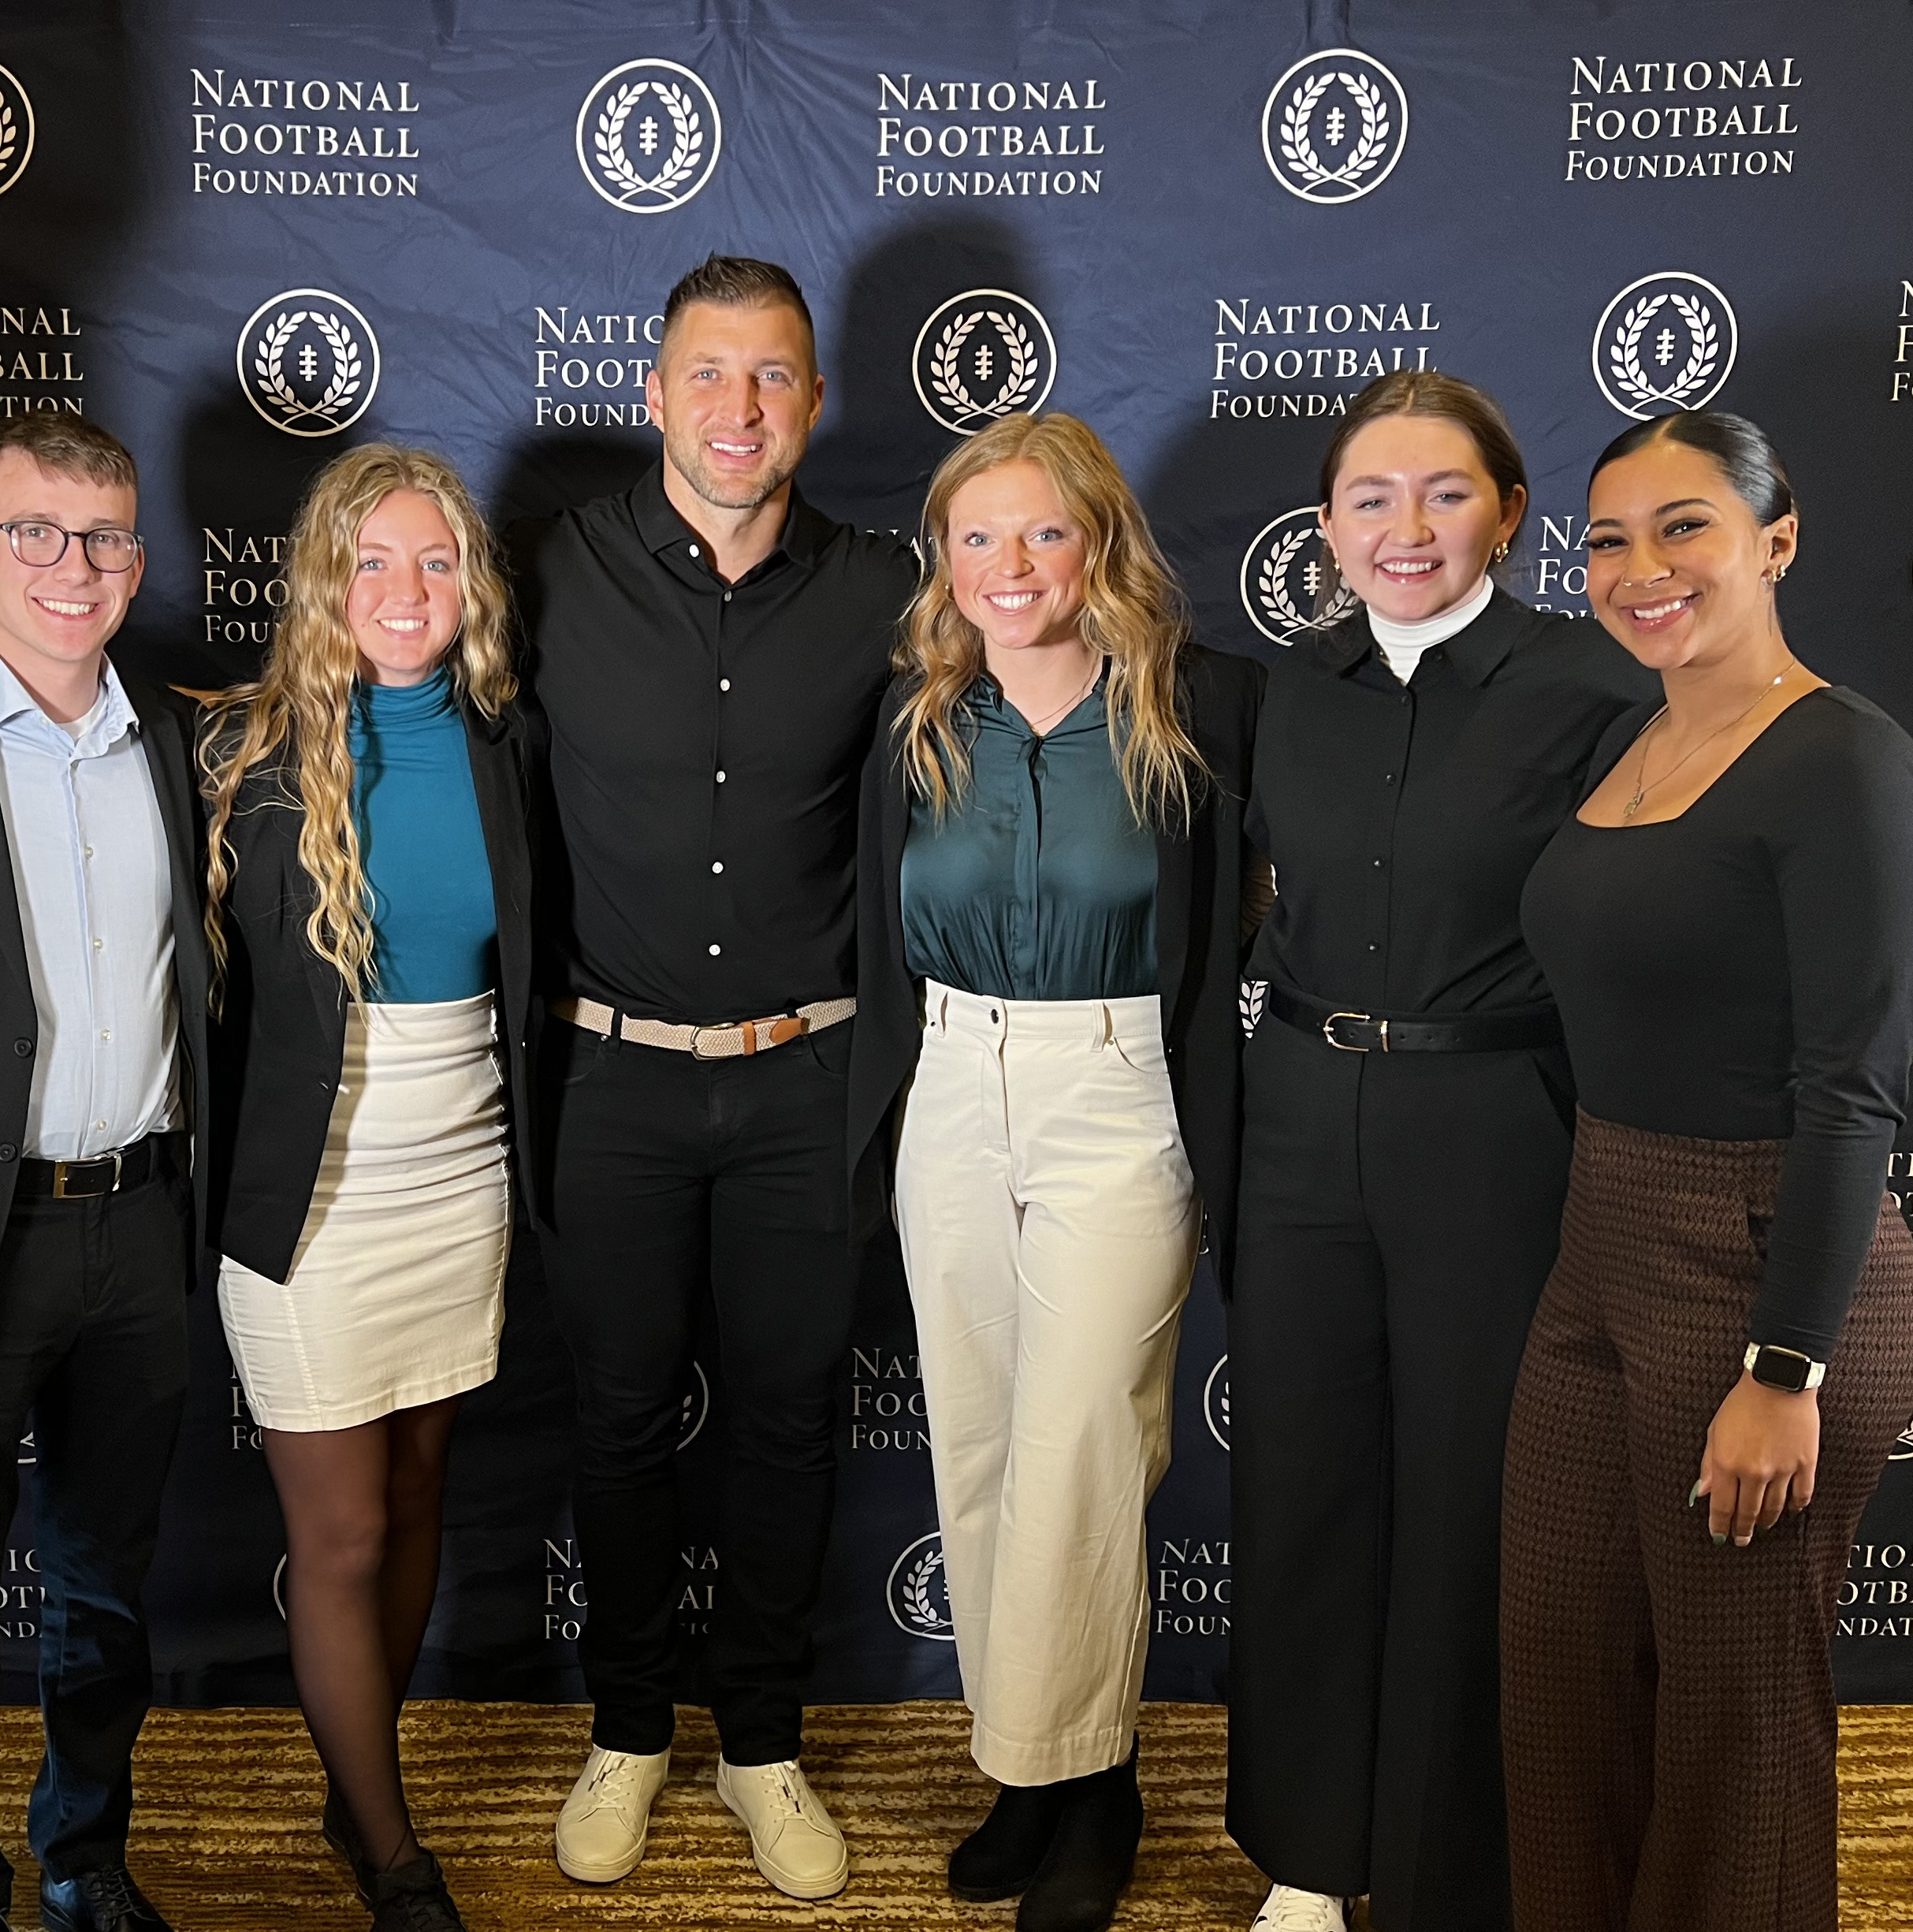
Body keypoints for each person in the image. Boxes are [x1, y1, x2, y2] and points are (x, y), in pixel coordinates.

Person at [1225, 370, 1655, 1932]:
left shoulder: (1592, 688)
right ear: (1328, 526)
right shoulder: (1283, 690)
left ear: (1512, 511)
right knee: (1304, 1485)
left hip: (1491, 1130)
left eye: (1444, 493)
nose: (1406, 530)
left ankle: (1446, 1865)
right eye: (1369, 500)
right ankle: (1308, 1852)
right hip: (1296, 1124)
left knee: (1475, 1493)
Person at [511, 254, 917, 1903]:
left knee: (785, 1422)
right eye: (709, 373)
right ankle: (628, 1725)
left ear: (812, 402)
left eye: (772, 377)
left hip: (801, 1085)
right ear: (656, 385)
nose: (739, 408)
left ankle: (759, 1740)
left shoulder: (891, 585)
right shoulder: (549, 568)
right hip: (608, 1080)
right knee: (611, 1421)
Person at [848, 413, 1264, 1932]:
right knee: (977, 1442)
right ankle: (1027, 1771)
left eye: (1040, 532)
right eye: (975, 537)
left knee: (1086, 1437)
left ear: (1097, 541)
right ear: (940, 561)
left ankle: (1097, 1787)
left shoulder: (1195, 707)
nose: (1007, 566)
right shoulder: (911, 721)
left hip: (1117, 1084)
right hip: (950, 1083)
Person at [1504, 411, 1913, 1932]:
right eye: (1608, 539)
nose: (1639, 568)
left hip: (1762, 1262)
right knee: (1558, 1673)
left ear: (1775, 541)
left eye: (1684, 527)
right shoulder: (1642, 732)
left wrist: (1784, 1366)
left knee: (1733, 1721)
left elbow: (1852, 1087)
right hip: (1599, 1236)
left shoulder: (1844, 759)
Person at [0, 412, 210, 1932]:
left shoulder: (187, 741)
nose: (70, 569)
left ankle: (85, 1859)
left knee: (108, 1591)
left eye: (101, 539)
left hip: (142, 1224)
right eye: (33, 535)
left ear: (136, 561)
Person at [199, 444, 539, 1932]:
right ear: (324, 582)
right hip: (308, 1186)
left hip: (461, 1161)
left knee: (414, 1502)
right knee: (335, 1534)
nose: (406, 593)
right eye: (374, 563)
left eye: (436, 561)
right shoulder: (239, 757)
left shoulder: (507, 746)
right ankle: (393, 1857)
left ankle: (361, 1780)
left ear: (472, 584)